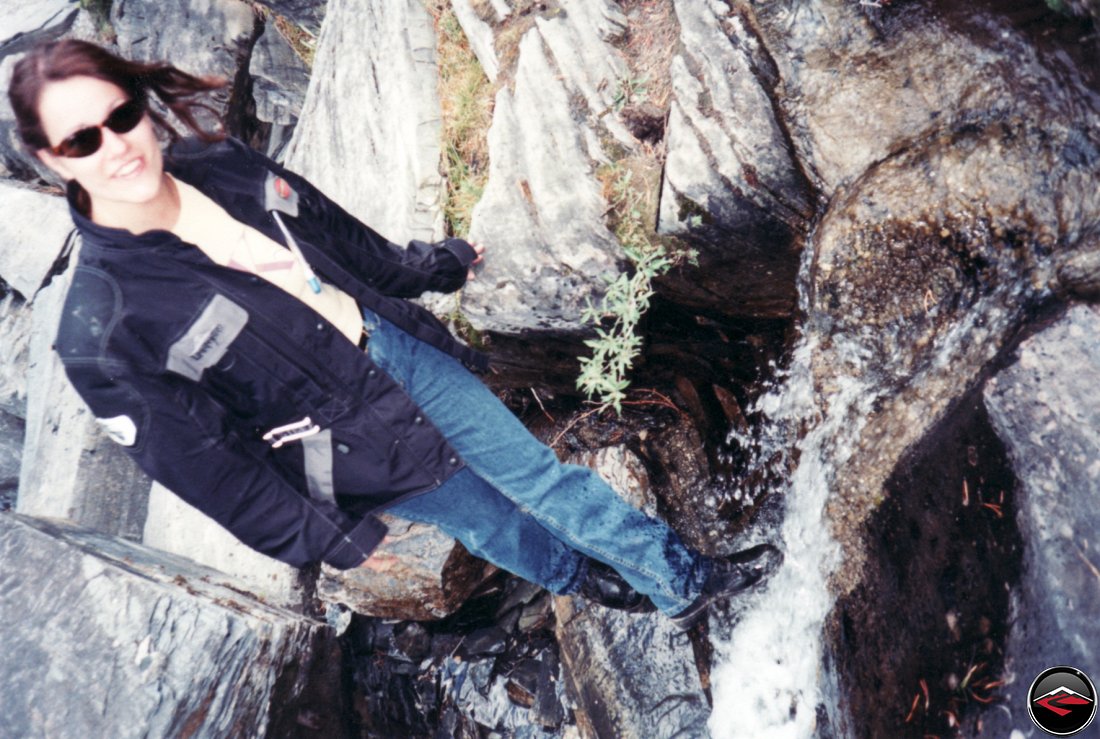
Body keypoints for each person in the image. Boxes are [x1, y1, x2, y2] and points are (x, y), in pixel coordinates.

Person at [8, 39, 780, 629]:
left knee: (538, 478)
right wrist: (324, 537)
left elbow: (336, 237)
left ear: (141, 105)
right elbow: (204, 464)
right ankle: (589, 580)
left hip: (393, 348)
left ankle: (678, 581)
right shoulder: (103, 329)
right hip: (343, 442)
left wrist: (431, 267)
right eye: (82, 140)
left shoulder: (222, 166)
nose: (116, 147)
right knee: (488, 521)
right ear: (49, 160)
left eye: (121, 116)